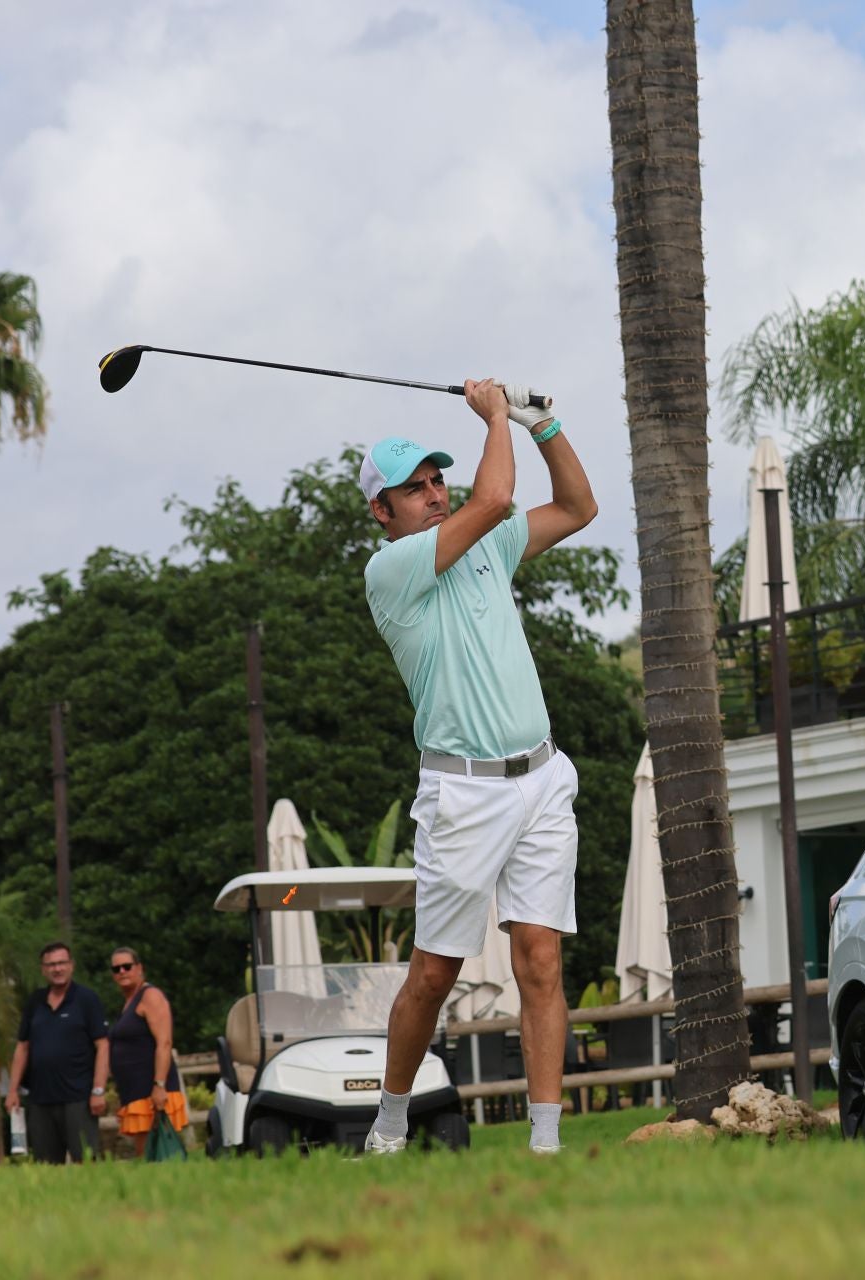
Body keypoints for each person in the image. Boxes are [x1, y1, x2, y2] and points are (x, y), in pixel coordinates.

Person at [358, 378, 597, 1155]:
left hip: (540, 777)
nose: (433, 494)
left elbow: (576, 508)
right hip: (461, 792)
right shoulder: (389, 573)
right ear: (382, 512)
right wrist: (495, 415)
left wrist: (544, 423)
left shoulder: (487, 545)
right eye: (414, 489)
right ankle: (390, 1125)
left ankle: (545, 1143)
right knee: (434, 973)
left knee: (540, 957)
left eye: (436, 481)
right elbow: (493, 499)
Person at [5, 942, 109, 1164]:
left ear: (71, 966)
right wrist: (13, 1090)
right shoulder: (35, 1002)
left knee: (86, 1162)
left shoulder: (86, 999)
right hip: (40, 1098)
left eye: (62, 963)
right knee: (46, 1167)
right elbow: (22, 1047)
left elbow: (103, 1045)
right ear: (43, 969)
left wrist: (98, 1089)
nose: (57, 969)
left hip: (78, 1098)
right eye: (51, 964)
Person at [105, 947, 188, 1157]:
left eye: (127, 966)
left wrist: (159, 1086)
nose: (122, 971)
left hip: (152, 1091)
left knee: (159, 1154)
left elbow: (165, 1042)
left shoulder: (150, 996)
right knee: (146, 1157)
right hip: (134, 1092)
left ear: (139, 968)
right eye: (116, 968)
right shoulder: (128, 1002)